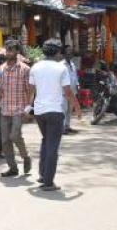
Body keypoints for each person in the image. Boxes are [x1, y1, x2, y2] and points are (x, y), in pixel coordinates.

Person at [28, 39, 81, 191]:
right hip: (55, 111)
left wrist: (27, 107)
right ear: (58, 53)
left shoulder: (35, 67)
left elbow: (31, 90)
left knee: (46, 140)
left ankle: (42, 174)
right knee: (52, 146)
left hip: (39, 111)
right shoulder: (61, 68)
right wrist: (77, 108)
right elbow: (68, 92)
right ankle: (48, 182)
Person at [0, 40, 32, 177]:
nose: (8, 52)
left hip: (19, 109)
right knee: (5, 140)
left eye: (11, 50)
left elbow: (30, 90)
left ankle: (25, 157)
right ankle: (13, 168)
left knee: (15, 135)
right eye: (7, 49)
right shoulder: (1, 69)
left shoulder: (25, 69)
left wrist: (28, 109)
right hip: (5, 109)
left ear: (17, 51)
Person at [61, 47, 80, 135]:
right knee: (63, 109)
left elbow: (75, 77)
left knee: (69, 109)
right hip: (64, 91)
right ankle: (62, 128)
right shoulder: (61, 65)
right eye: (67, 54)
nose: (69, 55)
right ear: (64, 55)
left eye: (70, 54)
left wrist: (78, 85)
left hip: (73, 91)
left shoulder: (72, 64)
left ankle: (67, 126)